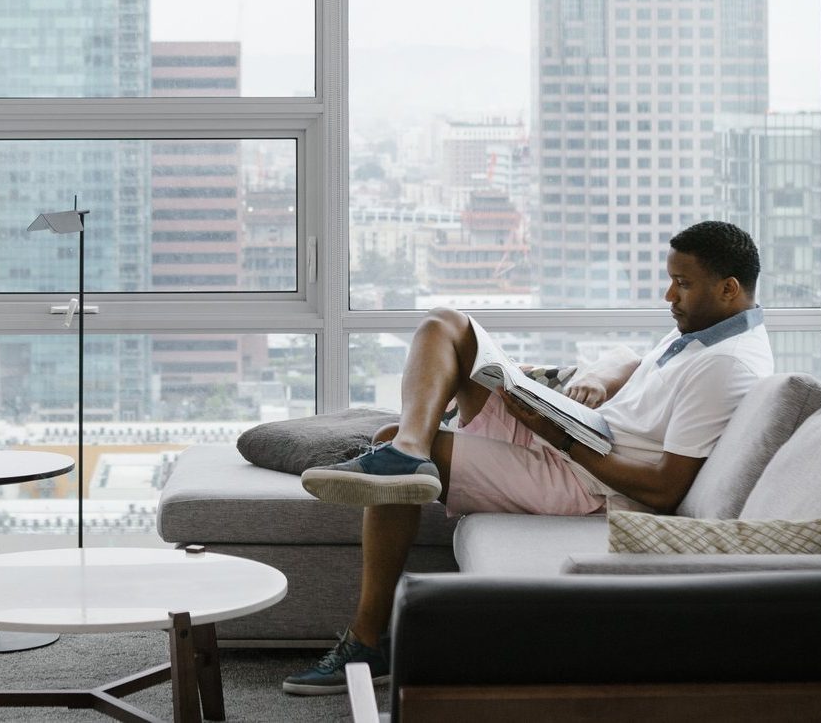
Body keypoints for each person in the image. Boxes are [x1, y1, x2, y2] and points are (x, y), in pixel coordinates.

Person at [283, 220, 773, 696]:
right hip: (578, 433)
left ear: (728, 288)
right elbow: (639, 364)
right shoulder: (707, 329)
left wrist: (556, 435)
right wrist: (596, 382)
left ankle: (368, 641)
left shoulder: (725, 365)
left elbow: (663, 489)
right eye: (671, 281)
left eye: (682, 284)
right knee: (445, 325)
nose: (669, 295)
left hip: (587, 481)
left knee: (393, 438)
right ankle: (407, 451)